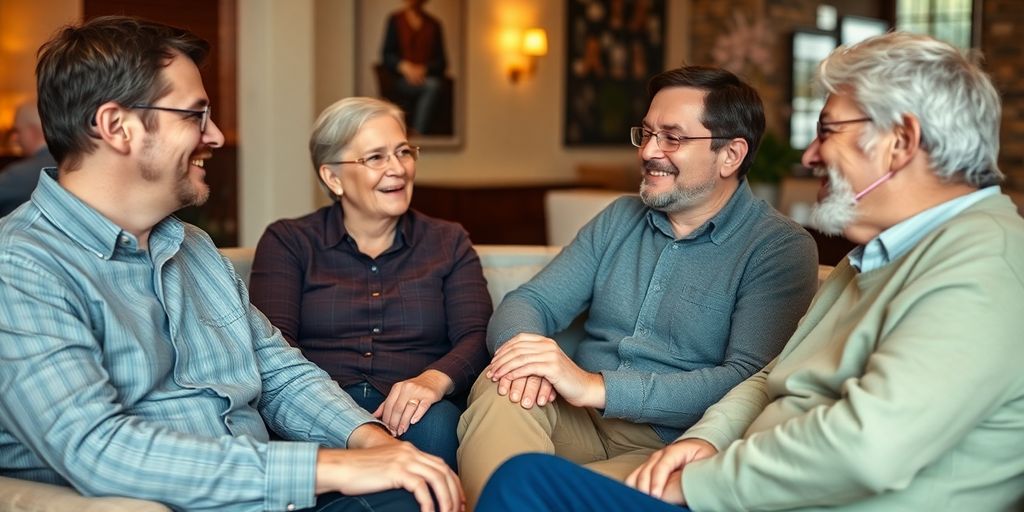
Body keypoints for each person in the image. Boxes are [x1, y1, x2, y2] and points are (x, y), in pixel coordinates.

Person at [474, 32, 1024, 511]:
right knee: (511, 429)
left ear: (900, 141)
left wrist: (701, 474)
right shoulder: (881, 257)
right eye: (647, 134)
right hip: (726, 473)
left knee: (527, 488)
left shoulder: (981, 269)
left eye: (828, 130)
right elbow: (771, 378)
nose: (809, 156)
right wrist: (711, 440)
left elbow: (868, 448)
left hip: (731, 485)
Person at [0, 16, 462, 512]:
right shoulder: (23, 266)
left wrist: (371, 442)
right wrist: (330, 468)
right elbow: (99, 448)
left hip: (270, 496)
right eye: (194, 116)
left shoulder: (195, 249)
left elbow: (279, 372)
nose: (216, 136)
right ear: (116, 126)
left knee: (420, 488)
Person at [456, 65, 819, 507]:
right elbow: (531, 300)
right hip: (574, 417)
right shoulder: (619, 218)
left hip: (667, 445)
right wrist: (526, 356)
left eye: (672, 137)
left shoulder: (777, 248)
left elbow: (746, 381)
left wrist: (596, 386)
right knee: (502, 385)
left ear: (731, 155)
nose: (649, 151)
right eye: (645, 133)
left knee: (552, 495)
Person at [249, 96, 491, 472]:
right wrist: (335, 414)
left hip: (419, 411)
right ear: (333, 177)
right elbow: (273, 347)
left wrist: (431, 381)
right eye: (376, 157)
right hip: (317, 405)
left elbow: (477, 336)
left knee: (440, 429)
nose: (398, 168)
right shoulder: (289, 242)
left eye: (404, 152)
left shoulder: (448, 241)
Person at [380, 0, 447, 135]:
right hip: (400, 80)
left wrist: (423, 70)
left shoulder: (434, 25)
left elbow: (442, 62)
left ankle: (418, 134)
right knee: (431, 86)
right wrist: (405, 67)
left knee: (433, 86)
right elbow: (387, 56)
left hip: (426, 79)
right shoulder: (395, 20)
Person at [0, 99, 57, 217]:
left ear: (32, 131)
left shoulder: (19, 174)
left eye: (18, 131)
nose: (15, 138)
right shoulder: (72, 164)